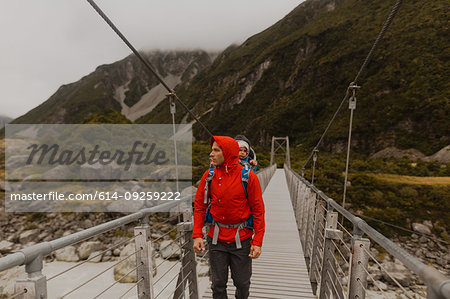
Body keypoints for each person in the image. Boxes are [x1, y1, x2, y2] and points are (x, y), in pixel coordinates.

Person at [193, 136, 265, 299]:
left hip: (242, 238)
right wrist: (197, 234)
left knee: (242, 283)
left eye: (216, 150)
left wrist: (258, 241)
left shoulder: (248, 177)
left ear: (227, 153)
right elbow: (199, 205)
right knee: (217, 284)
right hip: (216, 238)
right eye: (212, 150)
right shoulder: (209, 176)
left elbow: (258, 210)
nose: (211, 154)